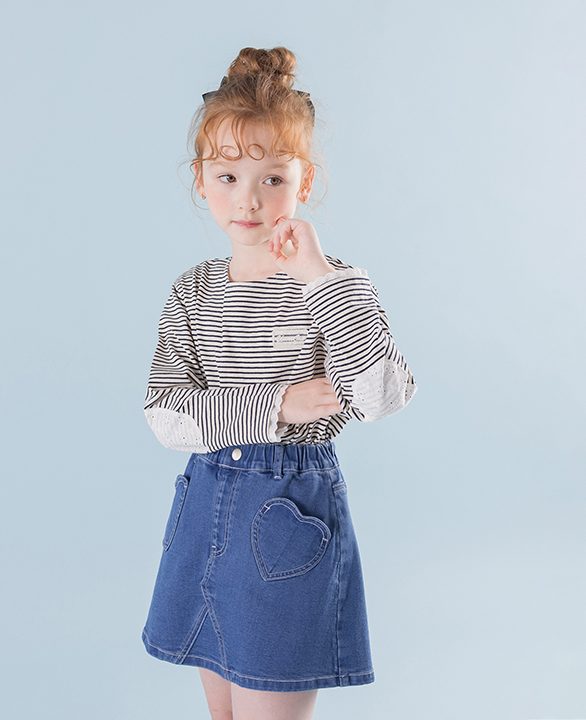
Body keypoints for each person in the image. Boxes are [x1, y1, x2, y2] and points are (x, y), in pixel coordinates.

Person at [141, 46, 417, 720]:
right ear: (200, 180)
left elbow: (382, 395)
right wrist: (279, 403)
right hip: (205, 510)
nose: (249, 198)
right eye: (228, 175)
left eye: (272, 178)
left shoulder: (332, 286)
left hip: (287, 520)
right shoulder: (193, 292)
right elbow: (166, 414)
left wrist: (319, 277)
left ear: (305, 180)